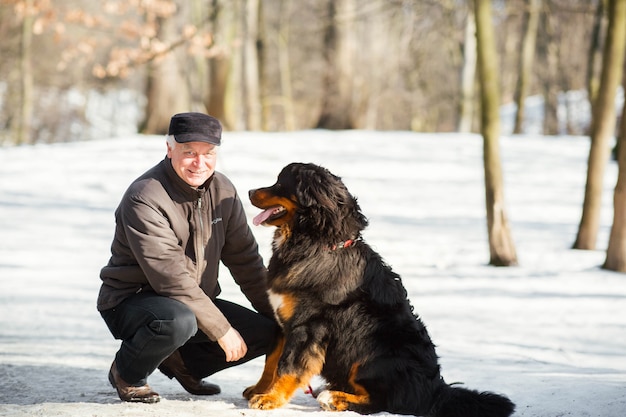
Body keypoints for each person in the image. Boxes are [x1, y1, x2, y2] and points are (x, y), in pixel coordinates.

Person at [97, 112, 277, 403]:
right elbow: (171, 279)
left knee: (269, 331)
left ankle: (183, 364)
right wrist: (221, 329)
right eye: (189, 152)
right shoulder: (145, 196)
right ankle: (127, 373)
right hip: (131, 302)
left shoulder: (223, 191)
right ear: (169, 149)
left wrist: (284, 317)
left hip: (190, 304)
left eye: (208, 154)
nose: (200, 162)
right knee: (177, 321)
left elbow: (247, 263)